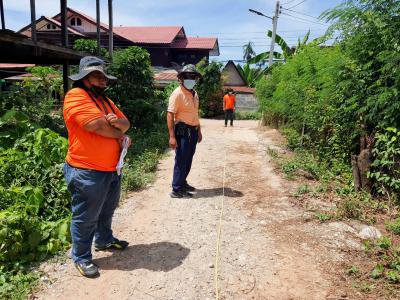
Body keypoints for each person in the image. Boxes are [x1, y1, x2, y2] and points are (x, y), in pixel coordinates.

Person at [63, 56, 131, 278]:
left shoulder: (105, 100)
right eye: (96, 76)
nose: (102, 81)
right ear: (83, 78)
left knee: (107, 209)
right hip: (87, 169)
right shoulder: (76, 96)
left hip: (111, 168)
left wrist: (119, 125)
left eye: (104, 78)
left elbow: (125, 122)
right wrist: (119, 132)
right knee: (85, 215)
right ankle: (81, 257)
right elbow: (96, 125)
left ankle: (103, 240)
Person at [167, 64, 203, 198]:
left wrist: (199, 131)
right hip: (182, 132)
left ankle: (183, 182)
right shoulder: (177, 94)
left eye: (193, 77)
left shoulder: (194, 94)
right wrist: (172, 136)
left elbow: (195, 113)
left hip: (193, 131)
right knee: (181, 159)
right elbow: (170, 115)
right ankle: (176, 189)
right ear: (181, 78)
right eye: (187, 76)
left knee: (188, 158)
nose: (190, 79)